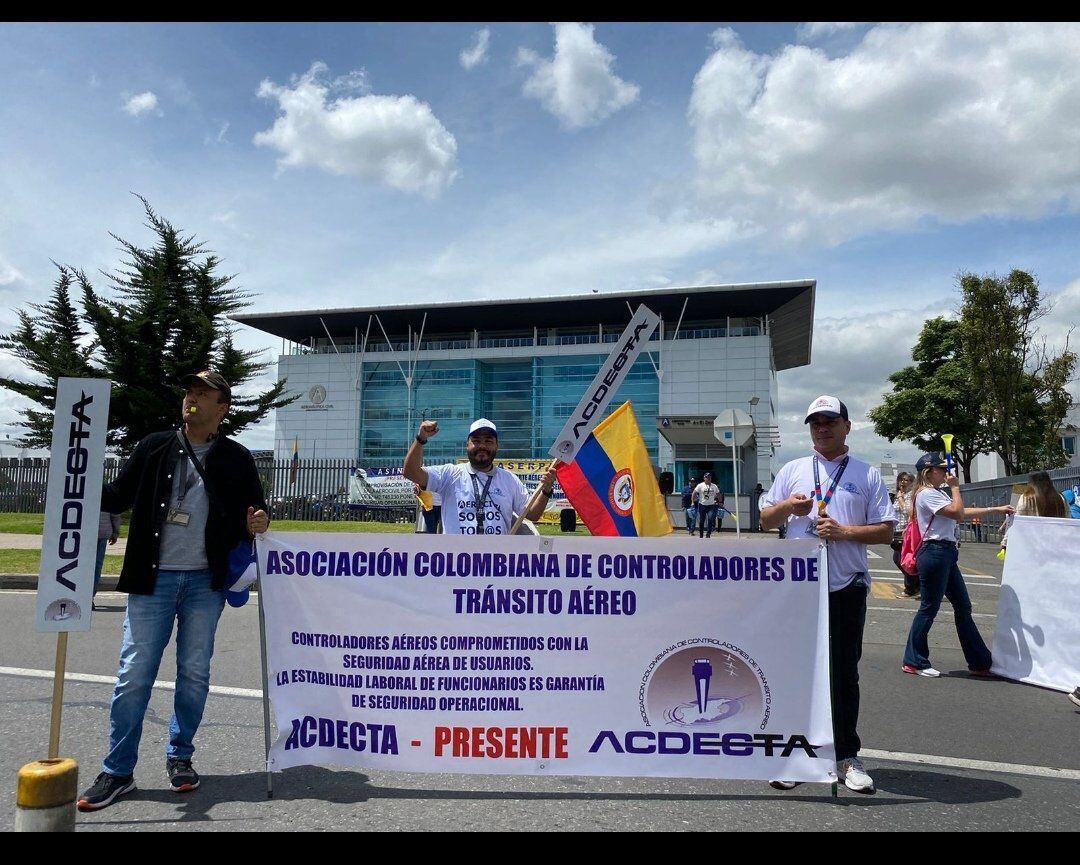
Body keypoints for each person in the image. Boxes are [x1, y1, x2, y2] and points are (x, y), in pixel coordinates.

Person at [77, 371, 269, 812]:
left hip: (206, 581)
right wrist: (77, 474)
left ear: (222, 408)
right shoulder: (153, 446)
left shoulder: (236, 457)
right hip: (153, 577)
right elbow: (117, 494)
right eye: (189, 392)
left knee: (195, 672)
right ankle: (118, 770)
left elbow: (256, 510)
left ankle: (180, 756)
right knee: (134, 674)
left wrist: (259, 520)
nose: (192, 400)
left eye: (203, 394)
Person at [760, 395, 896, 794]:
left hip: (846, 586)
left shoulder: (866, 474)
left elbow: (887, 530)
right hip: (798, 589)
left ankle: (846, 757)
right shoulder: (793, 469)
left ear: (846, 426)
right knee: (797, 672)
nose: (821, 428)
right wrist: (788, 506)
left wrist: (844, 532)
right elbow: (766, 519)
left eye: (829, 421)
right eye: (815, 422)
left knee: (842, 674)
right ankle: (796, 756)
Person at [902, 453, 1013, 678]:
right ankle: (914, 660)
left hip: (945, 553)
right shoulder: (926, 494)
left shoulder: (934, 494)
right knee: (929, 607)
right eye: (941, 469)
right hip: (935, 552)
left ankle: (980, 661)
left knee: (963, 606)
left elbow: (959, 513)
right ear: (928, 471)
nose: (946, 473)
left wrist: (996, 509)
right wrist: (955, 488)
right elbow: (957, 512)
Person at [404, 417, 555, 534]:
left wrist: (546, 491)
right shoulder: (450, 474)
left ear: (497, 445)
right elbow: (411, 472)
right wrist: (421, 439)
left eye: (488, 441)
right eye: (476, 441)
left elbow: (532, 515)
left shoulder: (510, 480)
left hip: (496, 562)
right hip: (455, 563)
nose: (482, 445)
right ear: (467, 445)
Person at [999, 470, 1067, 552]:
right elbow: (1067, 521)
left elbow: (1016, 523)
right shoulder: (1060, 498)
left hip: (1032, 545)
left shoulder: (1026, 499)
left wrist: (1005, 543)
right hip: (1056, 544)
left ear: (1031, 483)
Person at [891, 472, 918, 597]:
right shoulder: (897, 496)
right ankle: (914, 584)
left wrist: (901, 498)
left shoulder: (910, 496)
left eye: (906, 480)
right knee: (898, 559)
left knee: (903, 559)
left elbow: (909, 512)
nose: (903, 482)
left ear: (912, 483)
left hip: (906, 531)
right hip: (897, 531)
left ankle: (911, 588)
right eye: (901, 479)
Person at [92, 508, 121, 611]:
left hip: (84, 531)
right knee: (96, 566)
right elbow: (115, 514)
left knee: (82, 566)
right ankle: (90, 596)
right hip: (102, 531)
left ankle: (80, 595)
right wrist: (115, 533)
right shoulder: (107, 492)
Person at [692, 472, 720, 538]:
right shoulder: (700, 485)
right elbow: (694, 493)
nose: (708, 479)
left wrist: (720, 502)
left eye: (709, 477)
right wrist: (693, 501)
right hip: (702, 505)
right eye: (707, 477)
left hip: (711, 505)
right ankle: (701, 534)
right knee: (702, 520)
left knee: (710, 519)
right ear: (704, 478)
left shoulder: (714, 486)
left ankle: (708, 534)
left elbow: (718, 494)